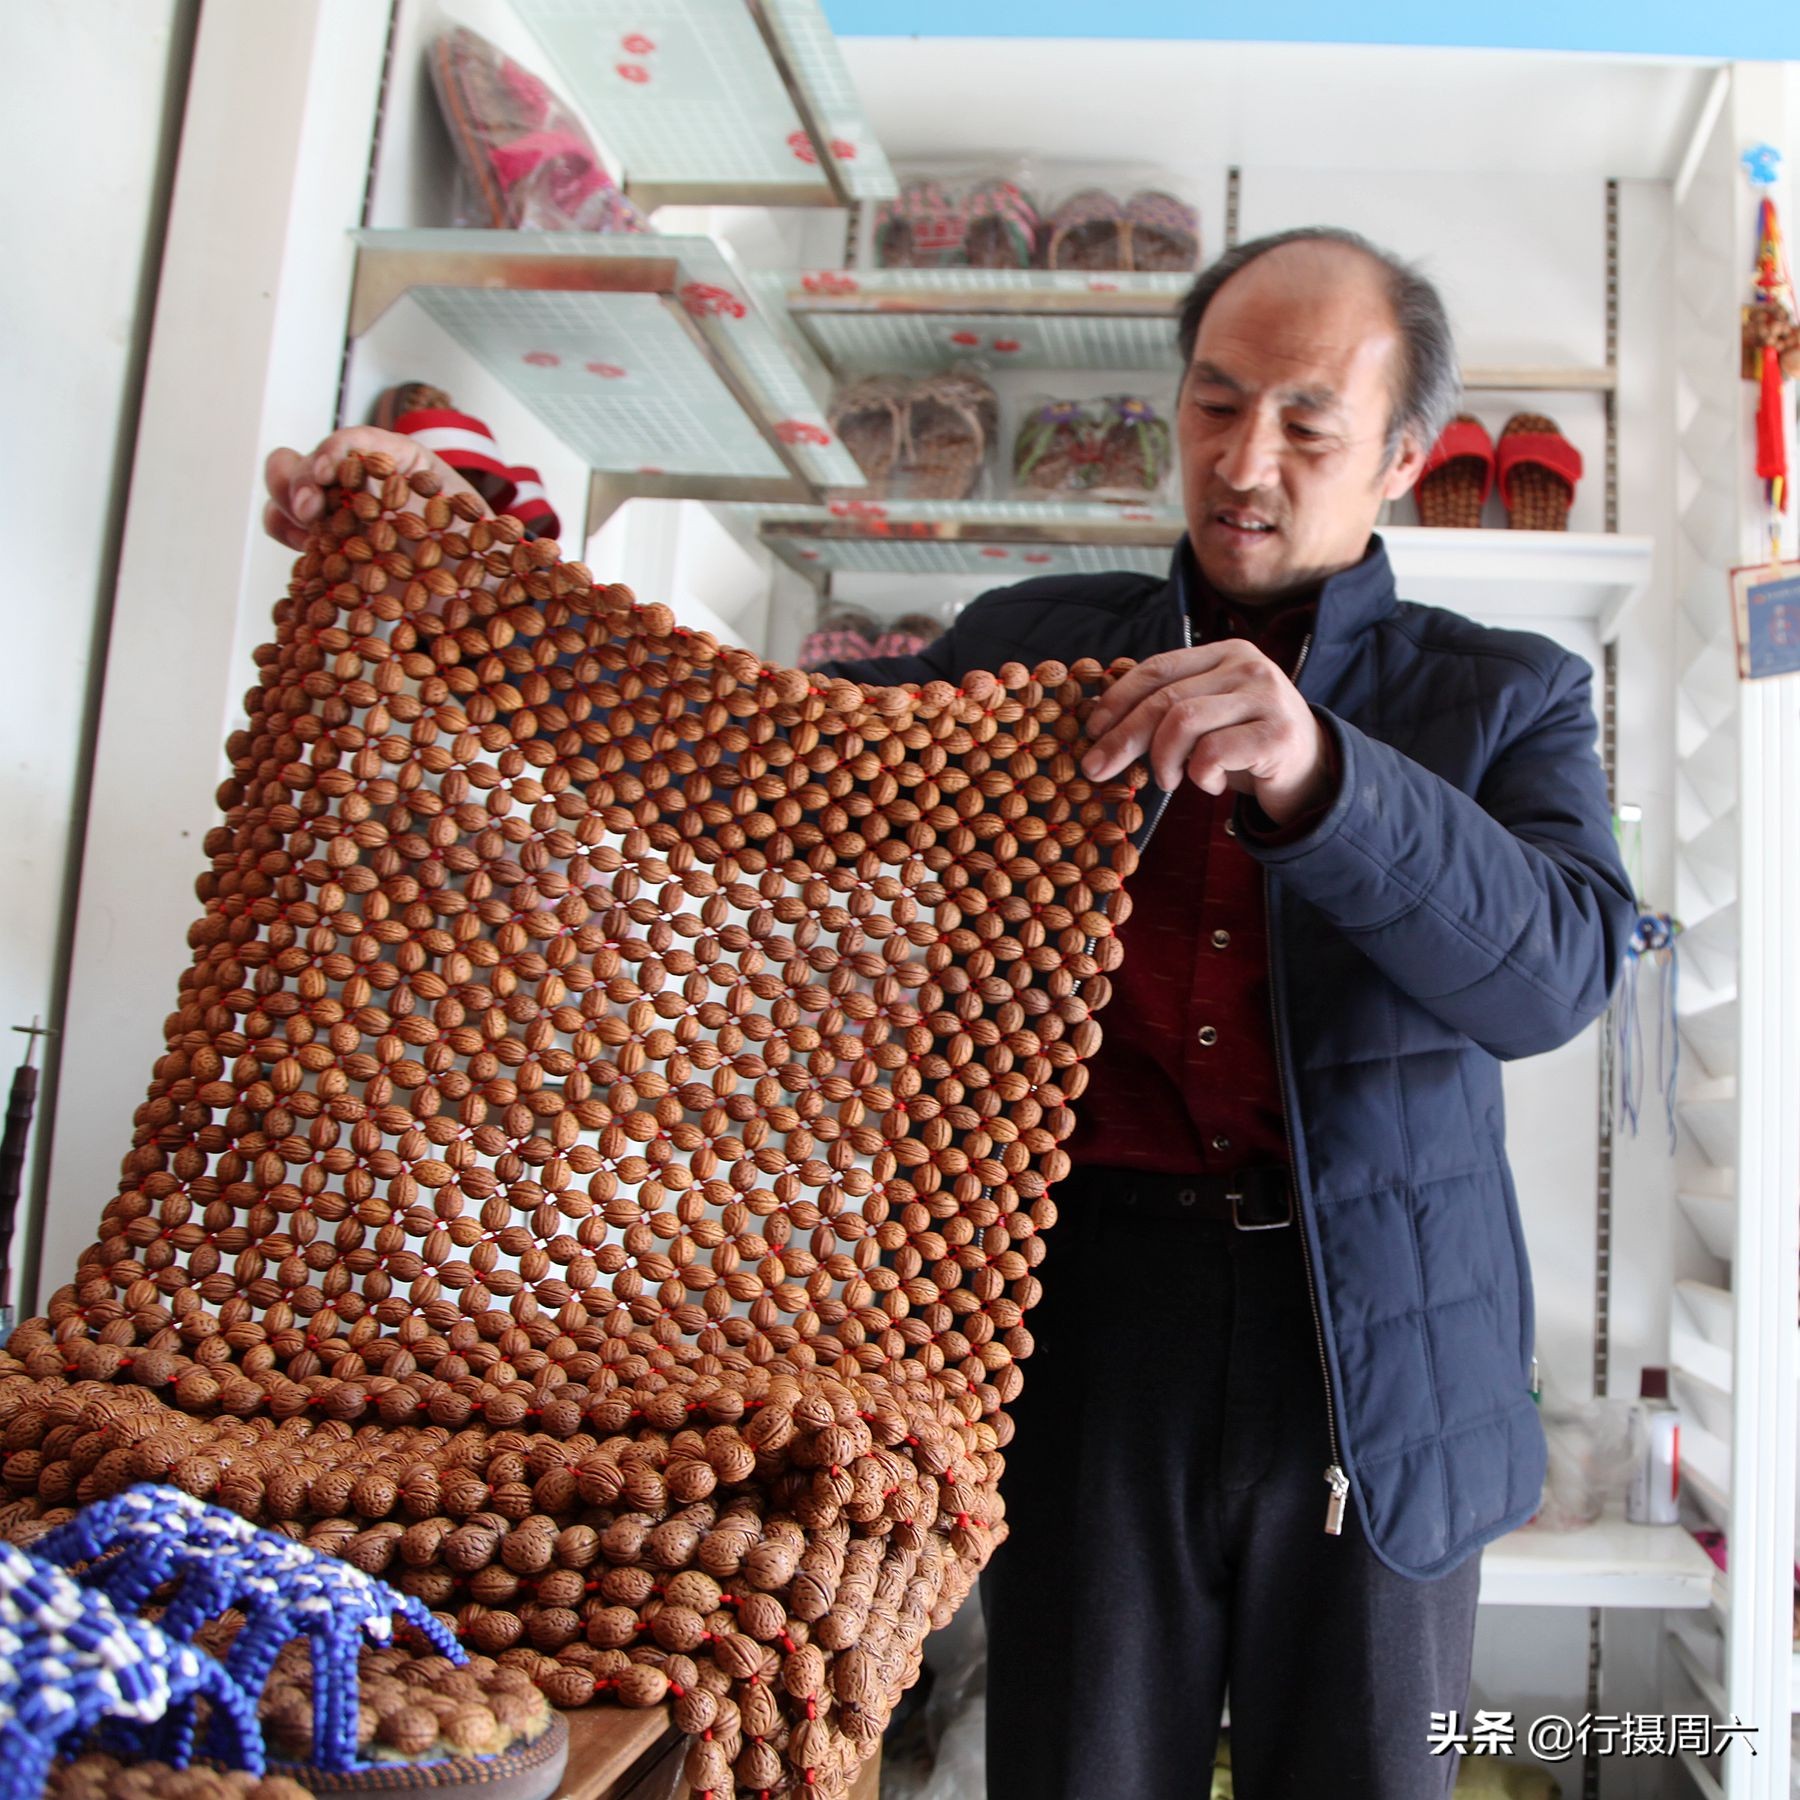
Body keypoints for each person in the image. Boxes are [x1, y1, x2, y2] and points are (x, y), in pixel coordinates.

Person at [265, 226, 1634, 1798]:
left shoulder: (1507, 692)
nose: (1247, 461)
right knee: (1073, 1767)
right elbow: (737, 774)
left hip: (1383, 1360)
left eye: (1309, 425)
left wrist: (1325, 774)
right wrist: (458, 555)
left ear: (1397, 459)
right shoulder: (1034, 646)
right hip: (1087, 1324)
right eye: (1214, 404)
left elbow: (1555, 974)